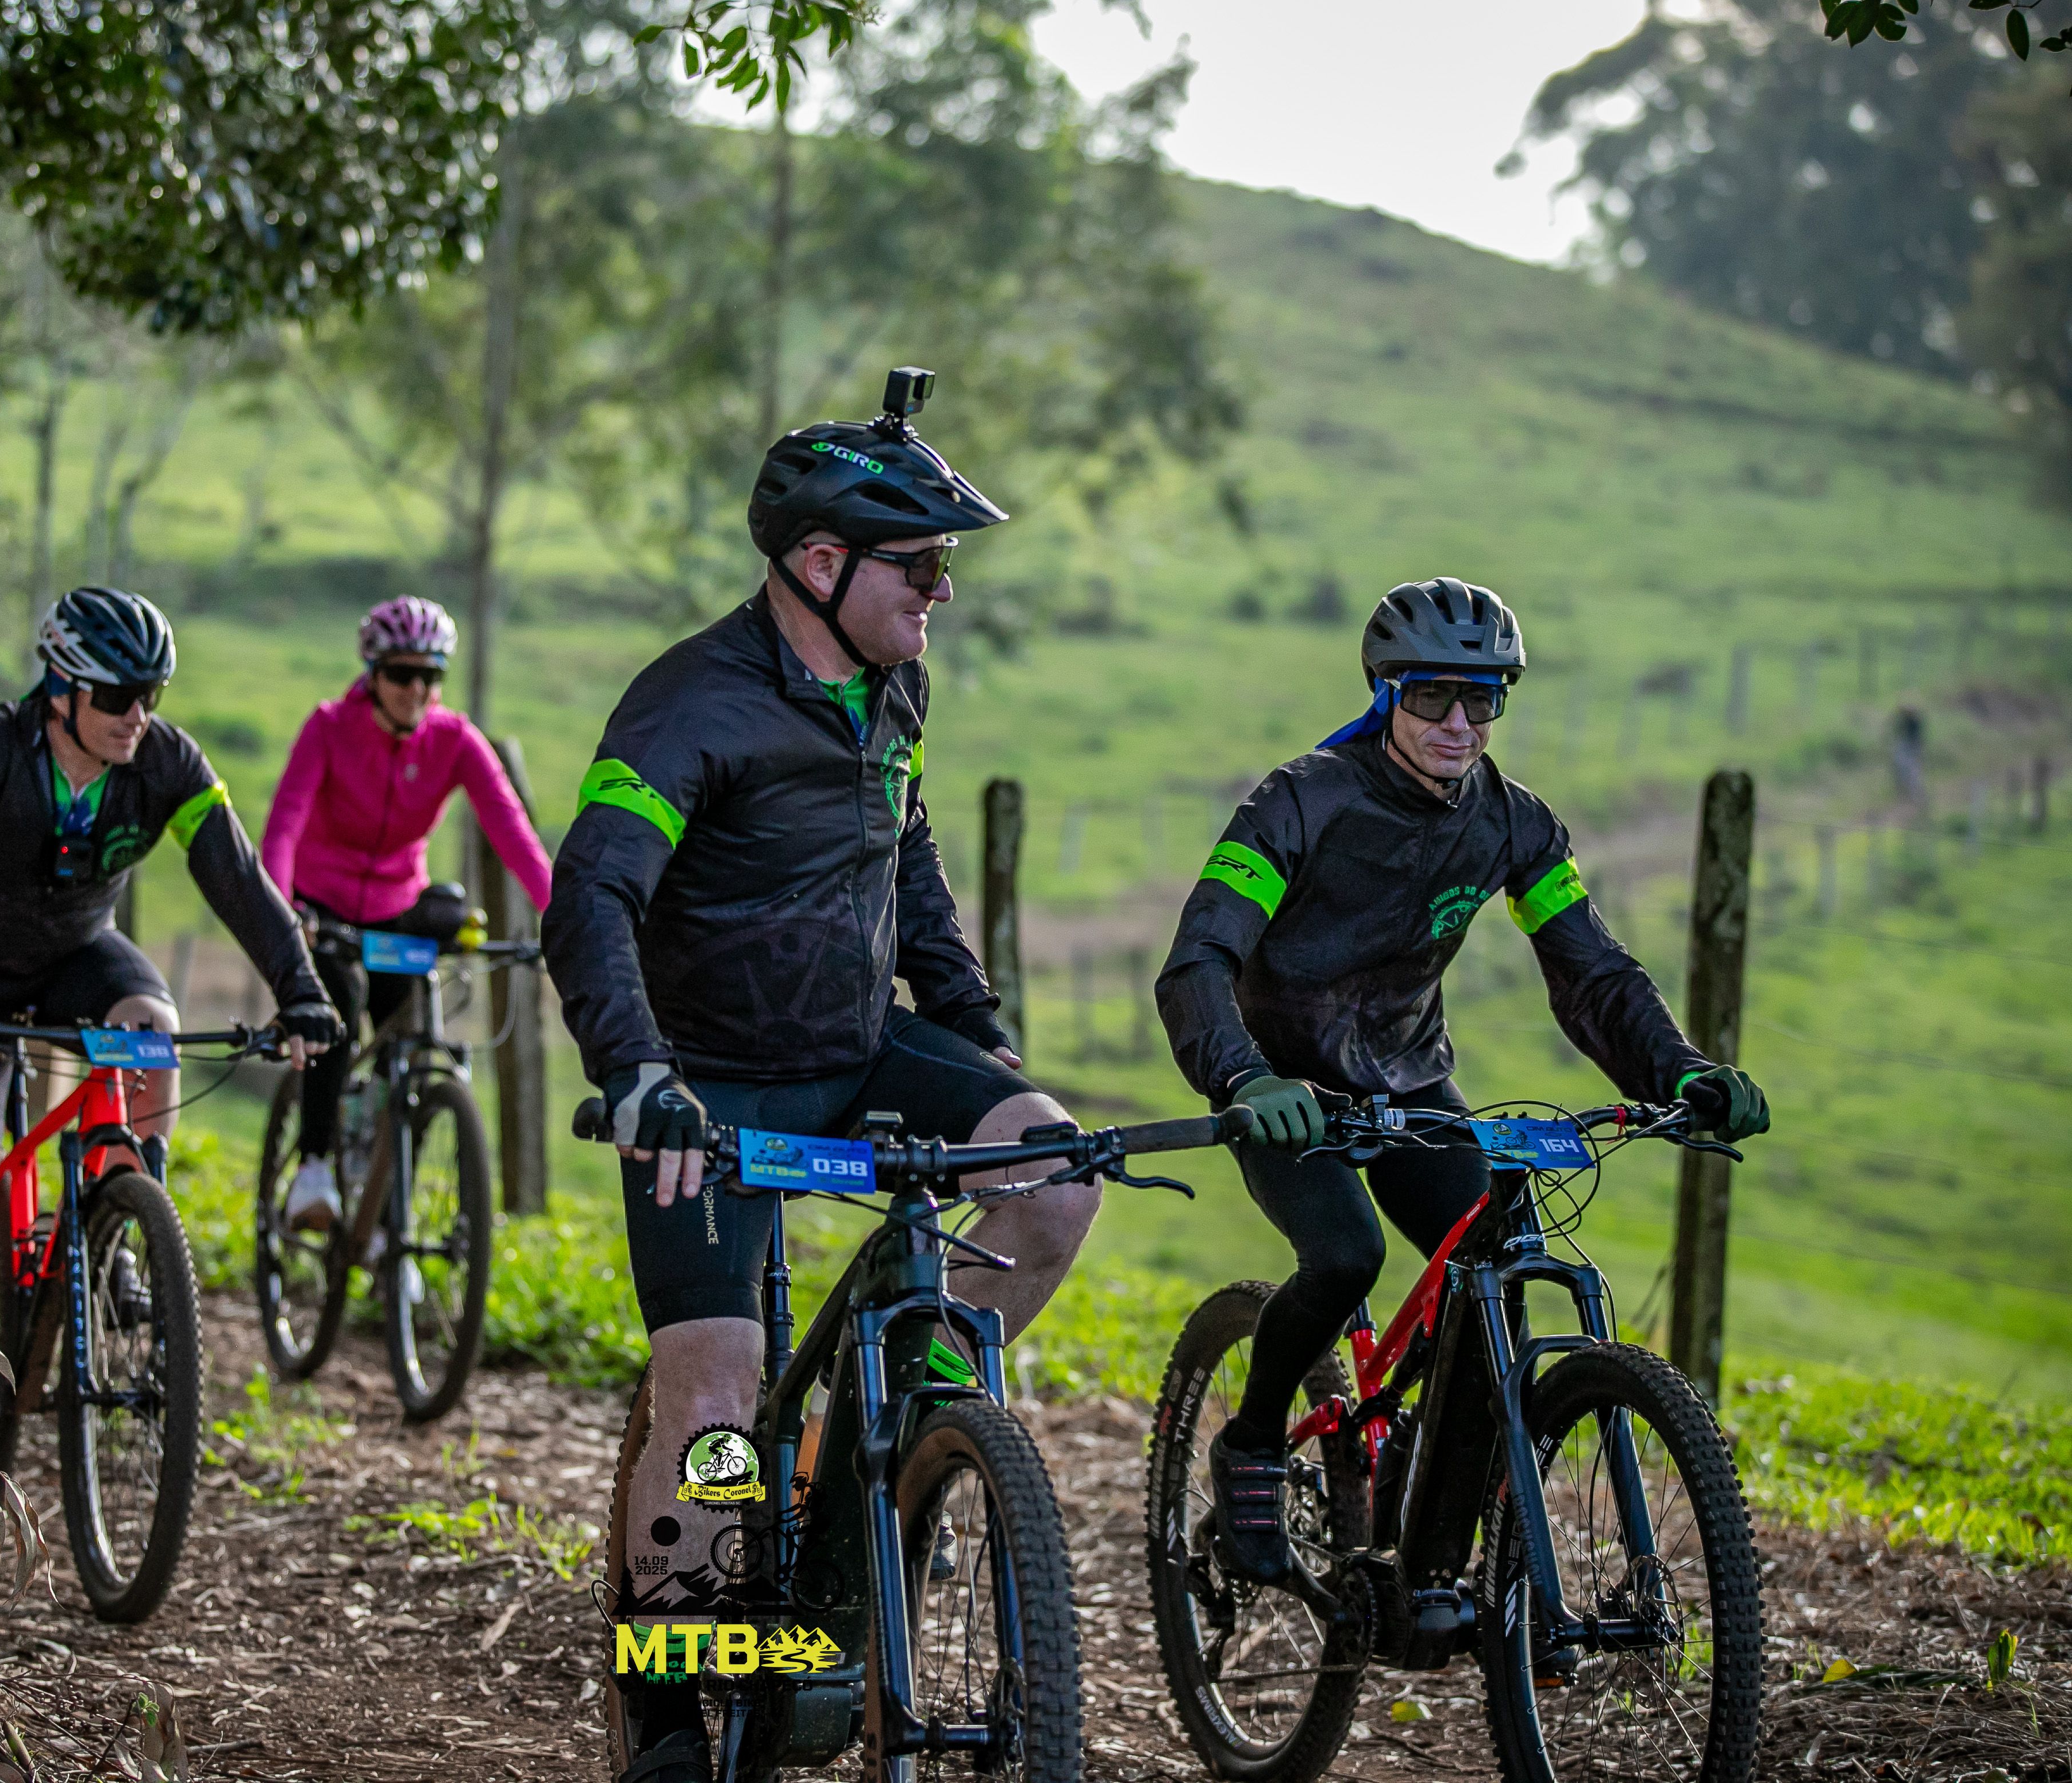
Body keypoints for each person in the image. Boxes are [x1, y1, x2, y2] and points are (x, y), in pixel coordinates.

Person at [544, 372, 1094, 1783]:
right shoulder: (687, 705)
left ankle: (895, 1433)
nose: (941, 593)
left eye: (944, 566)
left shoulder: (896, 683)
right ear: (818, 561)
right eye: (920, 566)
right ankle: (673, 1705)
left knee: (1052, 1181)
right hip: (707, 1086)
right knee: (714, 1399)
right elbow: (591, 895)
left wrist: (965, 1017)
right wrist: (638, 1071)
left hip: (856, 1050)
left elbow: (904, 855)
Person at [1154, 577, 1771, 1585]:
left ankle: (1433, 1481)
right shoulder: (1299, 803)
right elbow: (1198, 962)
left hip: (1410, 1084)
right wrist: (1243, 1076)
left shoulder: (1515, 826)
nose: (1458, 723)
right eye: (1432, 695)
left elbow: (1593, 973)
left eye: (1482, 699)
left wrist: (1683, 1069)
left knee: (1500, 1261)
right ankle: (1254, 1442)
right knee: (1345, 1255)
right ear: (1386, 693)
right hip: (1286, 1095)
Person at [0, 587, 341, 1322]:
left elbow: (239, 878)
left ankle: (114, 1233)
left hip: (75, 955)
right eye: (117, 697)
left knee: (152, 1032)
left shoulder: (166, 762)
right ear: (62, 689)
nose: (137, 715)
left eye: (150, 695)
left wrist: (300, 988)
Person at [258, 595, 554, 1234]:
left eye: (431, 675)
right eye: (401, 674)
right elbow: (283, 829)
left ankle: (392, 1206)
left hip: (396, 905)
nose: (417, 689)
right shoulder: (329, 727)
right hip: (323, 906)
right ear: (372, 673)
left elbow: (513, 833)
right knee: (336, 1006)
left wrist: (561, 917)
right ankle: (314, 1168)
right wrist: (283, 913)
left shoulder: (456, 740)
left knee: (416, 1041)